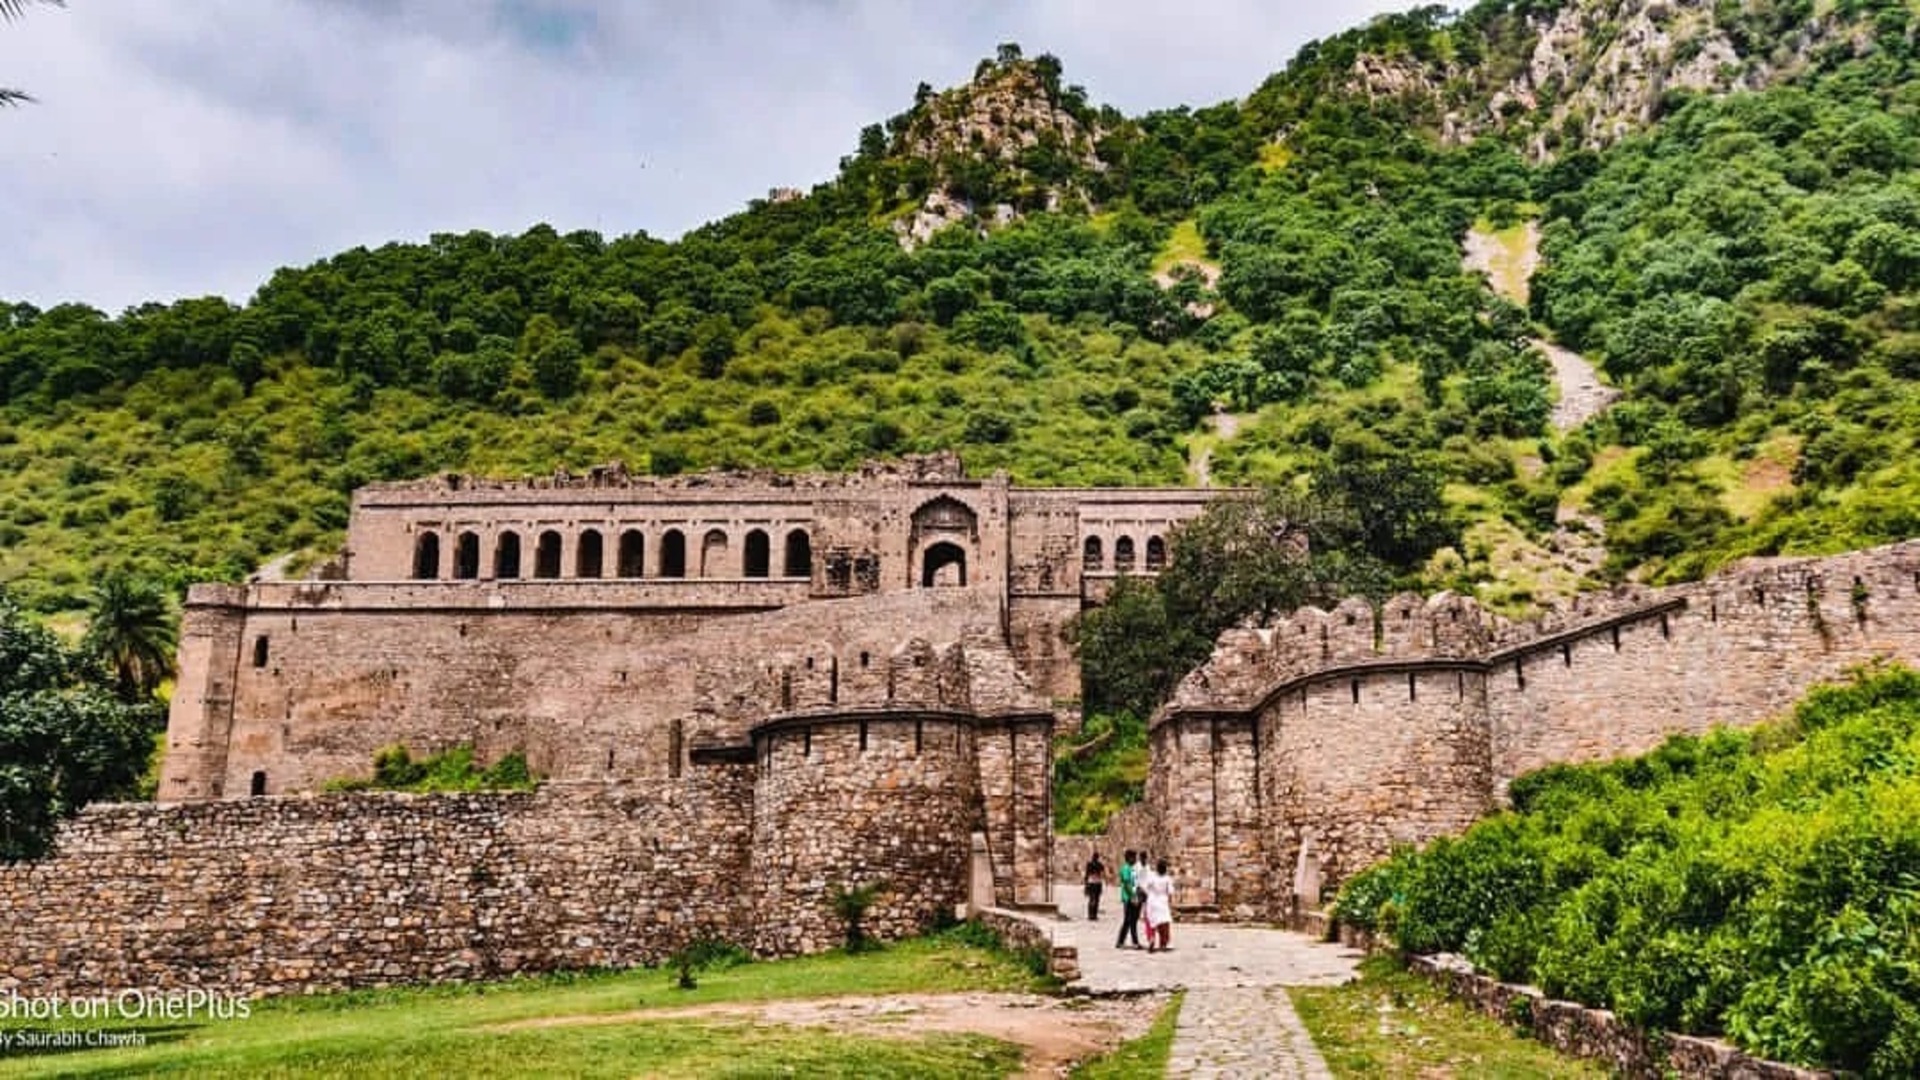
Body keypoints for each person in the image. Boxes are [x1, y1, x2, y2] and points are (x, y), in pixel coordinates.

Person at [1141, 858, 1175, 953]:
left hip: (1152, 901)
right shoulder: (1167, 879)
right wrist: (1170, 904)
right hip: (1163, 902)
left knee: (1151, 923)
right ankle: (1163, 943)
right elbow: (1170, 892)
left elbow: (1144, 887)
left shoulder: (1152, 877)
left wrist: (1149, 894)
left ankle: (1151, 938)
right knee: (1164, 924)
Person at [1114, 850, 1143, 949]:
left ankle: (1123, 941)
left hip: (1132, 897)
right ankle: (1132, 942)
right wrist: (1133, 896)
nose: (1135, 859)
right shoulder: (1126, 869)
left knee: (1130, 921)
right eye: (1134, 857)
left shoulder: (1131, 869)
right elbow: (1126, 884)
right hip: (1128, 898)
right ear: (1129, 858)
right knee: (1130, 921)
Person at [1083, 851, 1107, 920]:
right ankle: (1094, 915)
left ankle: (1090, 914)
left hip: (1091, 882)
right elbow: (1103, 874)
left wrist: (1086, 884)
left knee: (1091, 899)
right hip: (1097, 883)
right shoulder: (1100, 865)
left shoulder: (1089, 864)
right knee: (1096, 899)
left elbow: (1087, 874)